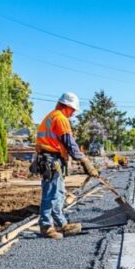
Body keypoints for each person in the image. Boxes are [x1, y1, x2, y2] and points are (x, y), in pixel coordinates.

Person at [35, 92, 99, 239]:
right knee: (51, 194)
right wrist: (84, 161)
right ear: (67, 106)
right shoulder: (60, 118)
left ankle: (61, 223)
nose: (74, 112)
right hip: (51, 160)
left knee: (58, 193)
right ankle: (46, 226)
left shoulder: (52, 116)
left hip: (52, 159)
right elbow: (70, 143)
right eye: (73, 109)